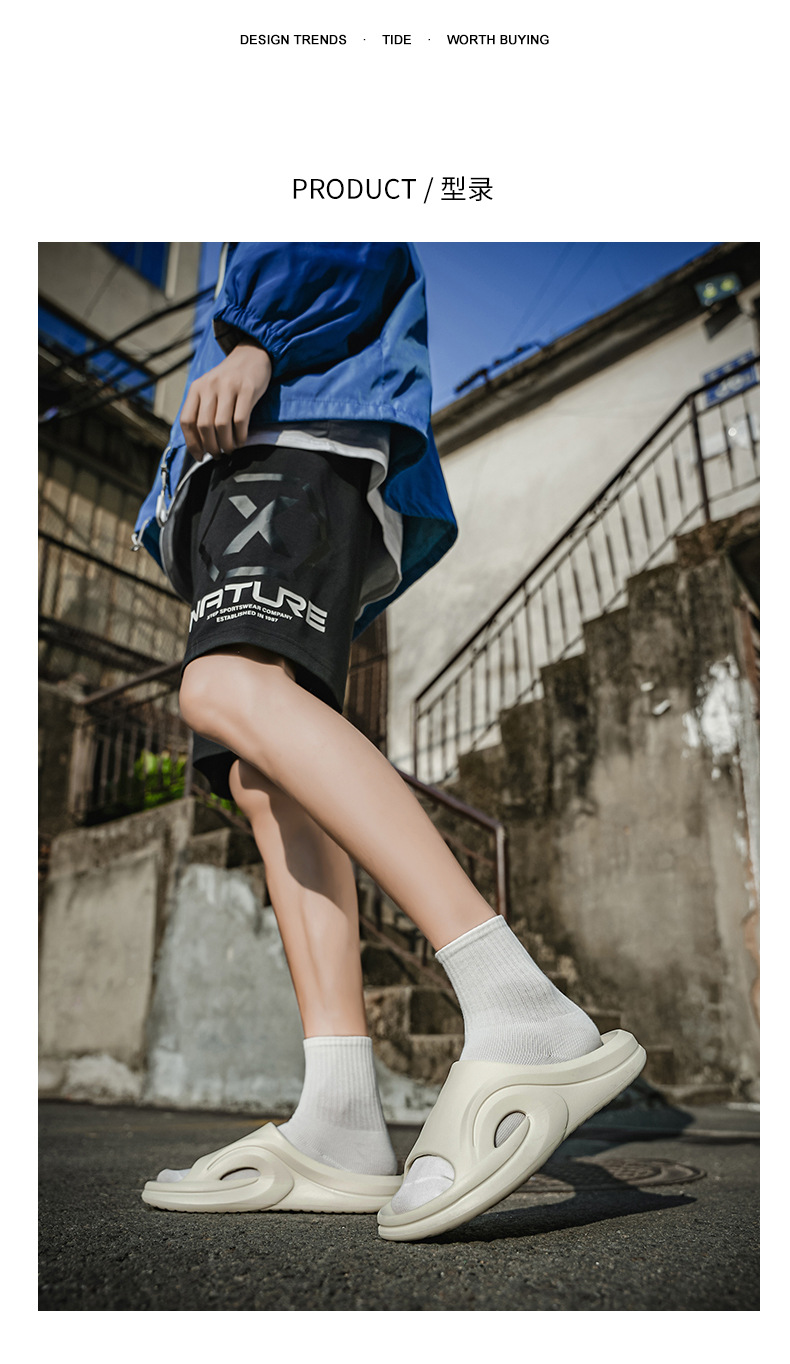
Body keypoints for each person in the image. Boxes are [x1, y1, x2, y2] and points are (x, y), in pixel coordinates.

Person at [135, 242, 644, 1241]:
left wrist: (260, 343)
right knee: (263, 776)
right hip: (256, 449)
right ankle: (339, 1122)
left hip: (293, 420)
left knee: (225, 685)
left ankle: (519, 1006)